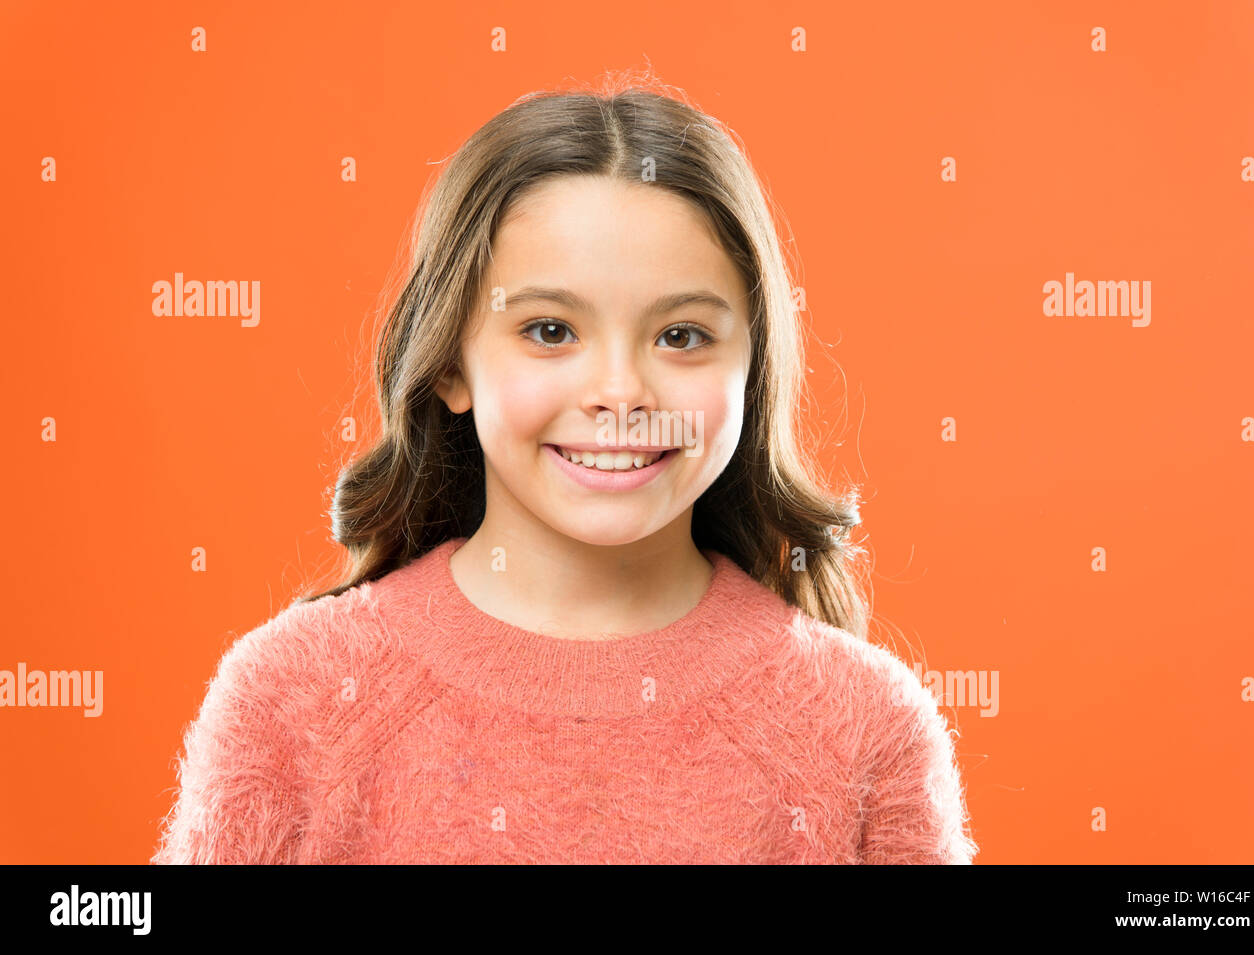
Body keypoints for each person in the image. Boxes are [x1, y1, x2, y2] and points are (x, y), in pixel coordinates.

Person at [152, 73, 978, 864]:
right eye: (549, 331)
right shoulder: (290, 702)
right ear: (451, 365)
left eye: (682, 335)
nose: (619, 393)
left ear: (753, 368)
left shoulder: (866, 728)